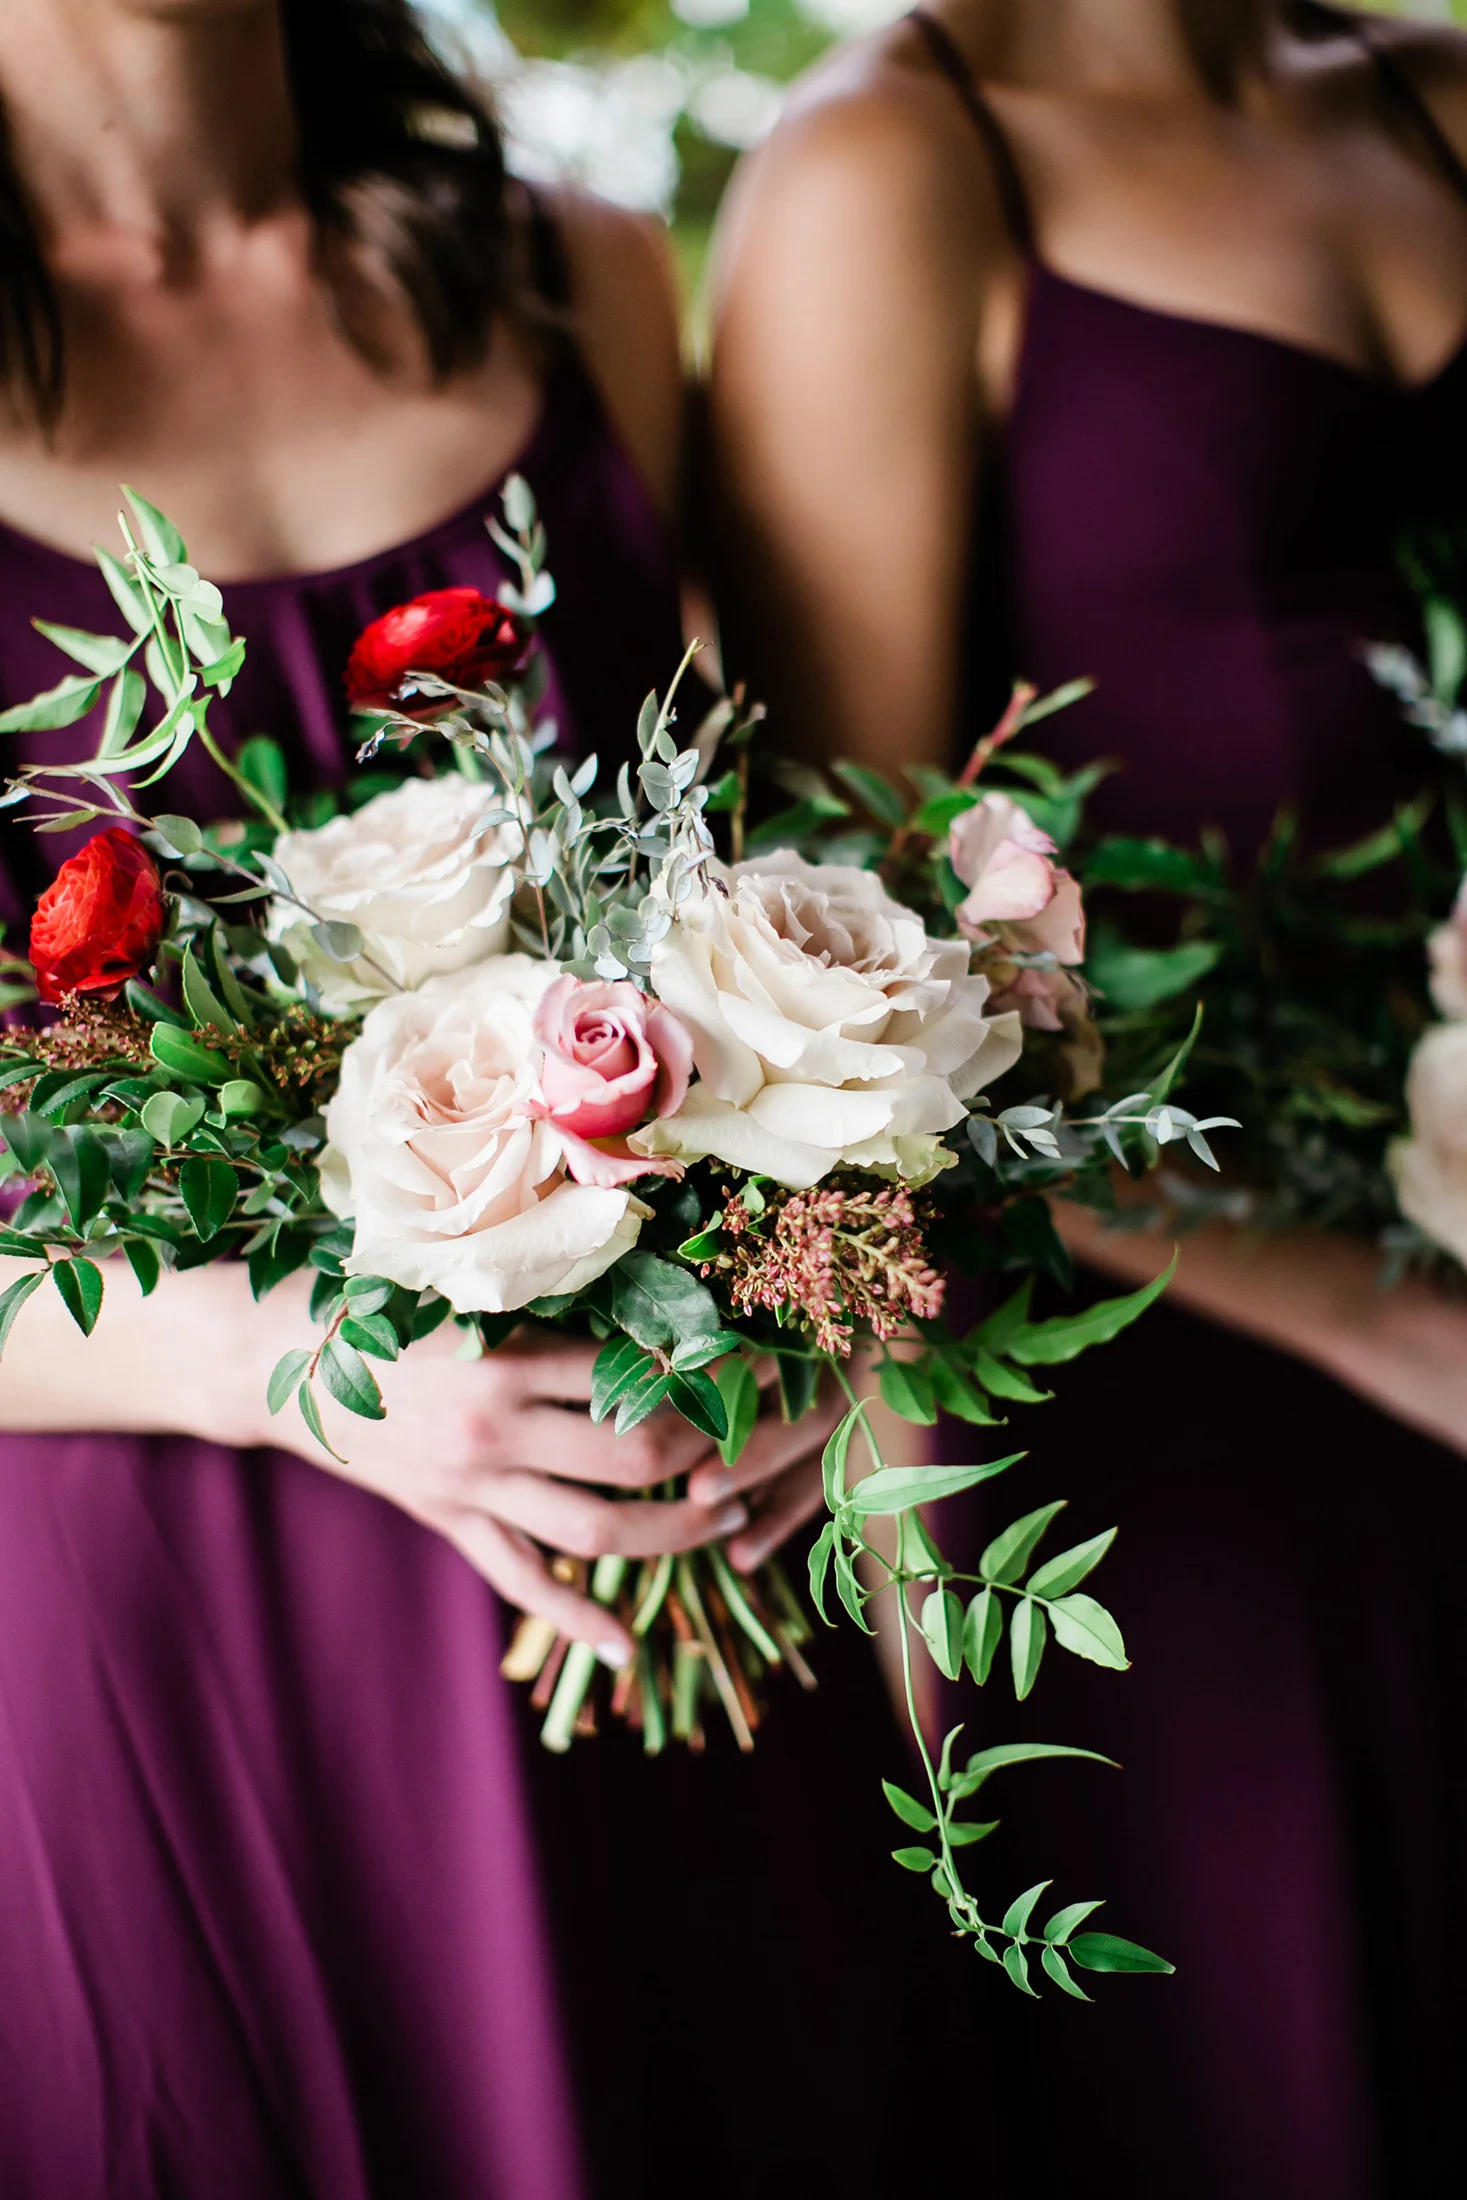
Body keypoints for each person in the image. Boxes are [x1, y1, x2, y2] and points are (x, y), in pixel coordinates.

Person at [0, 6, 989, 2195]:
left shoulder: (584, 275)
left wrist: (810, 1257)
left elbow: (804, 876)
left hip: (680, 1607)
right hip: (186, 1675)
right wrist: (287, 1367)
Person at [710, 2, 1467, 2193]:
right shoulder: (891, 168)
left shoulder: (1431, 91)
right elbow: (847, 1014)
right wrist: (1375, 1315)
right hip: (1177, 1390)